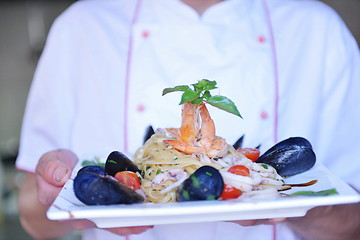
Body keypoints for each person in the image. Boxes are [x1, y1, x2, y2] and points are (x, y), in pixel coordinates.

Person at [16, 0, 360, 239]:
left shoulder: (318, 29)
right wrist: (53, 192)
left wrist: (306, 206)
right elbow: (33, 220)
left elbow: (352, 226)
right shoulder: (80, 28)